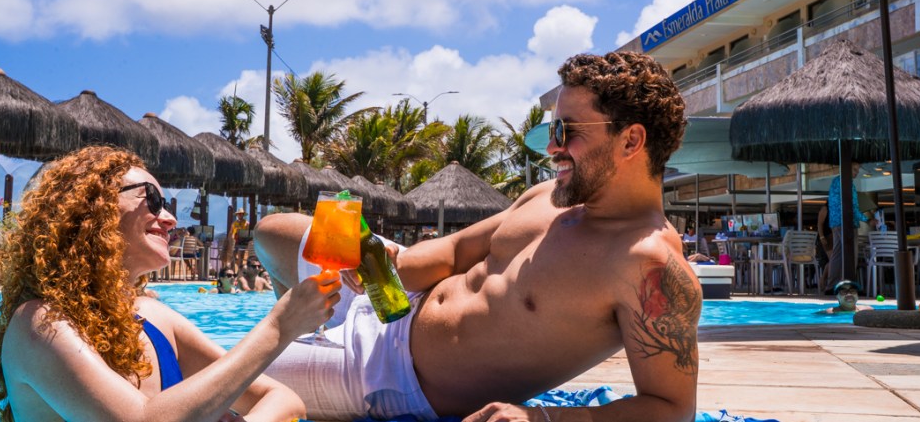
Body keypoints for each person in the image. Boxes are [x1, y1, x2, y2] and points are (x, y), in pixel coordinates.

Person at [255, 51, 700, 421]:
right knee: (273, 233)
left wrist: (543, 418)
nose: (550, 147)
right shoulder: (548, 196)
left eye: (566, 131)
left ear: (631, 141)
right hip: (396, 297)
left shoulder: (650, 267)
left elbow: (672, 408)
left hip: (390, 372)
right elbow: (454, 251)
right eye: (550, 130)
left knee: (228, 377)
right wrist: (390, 265)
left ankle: (310, 363)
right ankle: (312, 330)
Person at [0, 145, 341, 422]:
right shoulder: (40, 324)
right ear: (90, 211)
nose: (168, 219)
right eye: (151, 199)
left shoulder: (153, 316)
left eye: (168, 206)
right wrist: (280, 327)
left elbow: (284, 399)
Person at [825, 164, 875, 292]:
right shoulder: (847, 184)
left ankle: (831, 286)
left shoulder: (835, 181)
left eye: (858, 170)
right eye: (854, 169)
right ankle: (850, 287)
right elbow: (851, 207)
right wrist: (867, 220)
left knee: (837, 254)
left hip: (836, 222)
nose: (857, 172)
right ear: (846, 168)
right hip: (847, 223)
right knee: (850, 254)